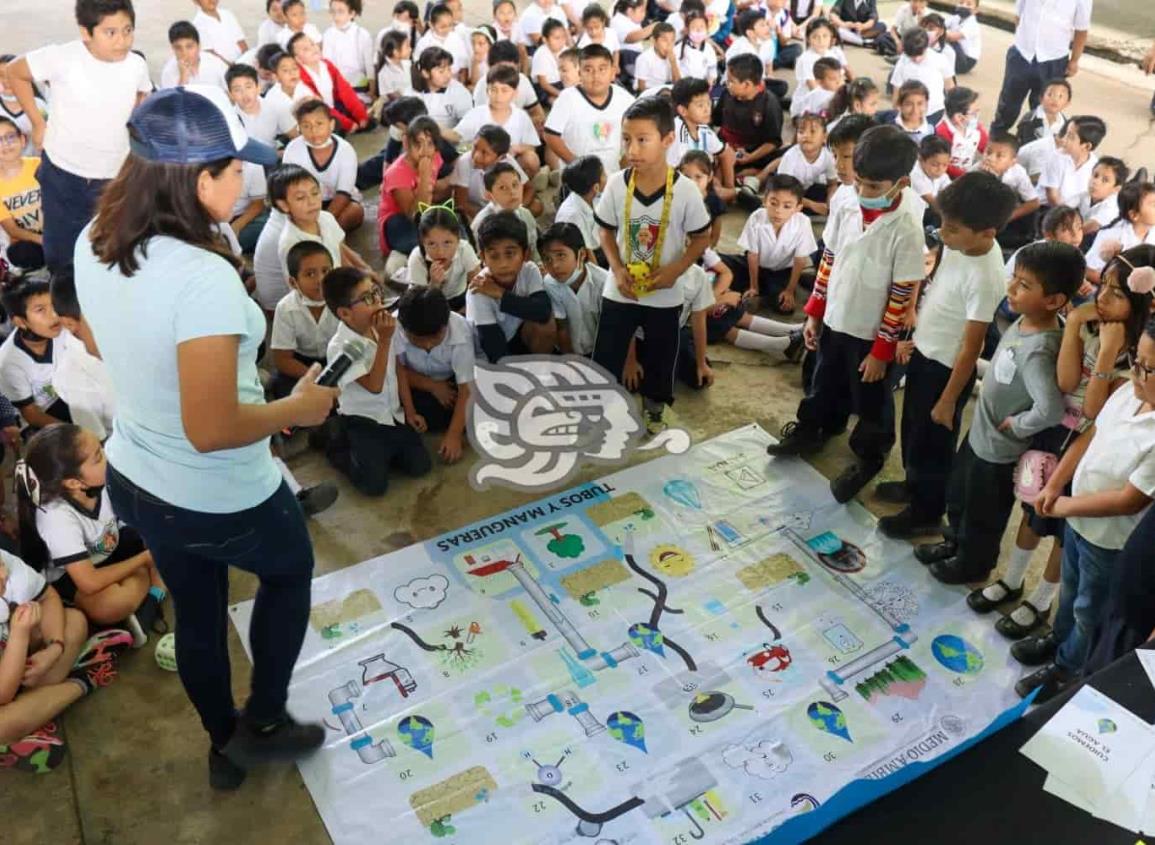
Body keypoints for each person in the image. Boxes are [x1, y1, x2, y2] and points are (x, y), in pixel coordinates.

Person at [74, 85, 338, 790]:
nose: (244, 178)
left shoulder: (93, 237)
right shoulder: (203, 277)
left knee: (198, 613)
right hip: (218, 491)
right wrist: (297, 408)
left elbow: (104, 343)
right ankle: (266, 720)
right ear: (198, 180)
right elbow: (214, 427)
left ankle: (224, 746)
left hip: (137, 474)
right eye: (233, 167)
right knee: (288, 571)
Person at [975, 246, 1151, 644]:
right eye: (1102, 286)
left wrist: (1107, 353)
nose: (1101, 300)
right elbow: (1067, 383)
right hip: (1055, 433)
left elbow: (1093, 407)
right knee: (1033, 508)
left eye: (1117, 294)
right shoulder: (1088, 326)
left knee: (1061, 529)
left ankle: (1040, 600)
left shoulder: (1138, 354)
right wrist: (1073, 324)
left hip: (1087, 449)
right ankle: (1012, 579)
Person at [768, 125, 924, 504]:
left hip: (872, 334)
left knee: (871, 398)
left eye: (873, 187)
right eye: (859, 183)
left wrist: (881, 352)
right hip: (836, 316)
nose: (864, 193)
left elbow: (902, 293)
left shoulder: (907, 224)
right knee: (825, 378)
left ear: (900, 183)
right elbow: (829, 259)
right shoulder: (845, 201)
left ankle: (869, 456)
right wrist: (814, 314)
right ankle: (815, 427)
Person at [914, 241, 1083, 585]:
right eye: (1014, 278)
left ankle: (973, 564)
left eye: (1024, 285)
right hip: (981, 435)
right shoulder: (1026, 321)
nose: (1011, 288)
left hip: (1000, 450)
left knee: (983, 513)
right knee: (960, 495)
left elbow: (1050, 409)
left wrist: (1018, 425)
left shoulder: (1041, 348)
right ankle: (955, 543)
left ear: (1054, 300)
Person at [1016, 303, 1155, 703]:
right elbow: (1090, 436)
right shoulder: (1128, 389)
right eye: (1138, 362)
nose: (1139, 375)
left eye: (1150, 368)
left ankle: (1067, 669)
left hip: (1107, 540)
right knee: (1070, 593)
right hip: (1076, 521)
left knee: (1088, 610)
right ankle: (1059, 642)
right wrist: (1056, 485)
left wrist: (1063, 508)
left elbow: (1129, 500)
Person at [877, 172, 1017, 538]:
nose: (942, 233)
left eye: (952, 228)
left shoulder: (987, 276)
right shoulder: (958, 244)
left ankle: (927, 510)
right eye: (942, 222)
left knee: (933, 444)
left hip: (947, 372)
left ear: (988, 232)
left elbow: (972, 348)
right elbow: (940, 277)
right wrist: (916, 321)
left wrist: (948, 399)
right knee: (912, 430)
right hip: (926, 353)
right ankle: (913, 485)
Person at [3, 0, 152, 271]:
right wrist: (37, 123)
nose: (122, 41)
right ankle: (65, 305)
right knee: (62, 253)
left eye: (128, 30)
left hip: (113, 177)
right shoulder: (61, 58)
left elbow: (143, 95)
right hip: (63, 174)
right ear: (86, 32)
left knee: (110, 250)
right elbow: (15, 72)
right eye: (111, 32)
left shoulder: (136, 65)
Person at [593, 97, 711, 435]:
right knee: (607, 352)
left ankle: (656, 408)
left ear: (667, 140)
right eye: (627, 139)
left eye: (643, 139)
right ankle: (602, 409)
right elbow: (605, 229)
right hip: (622, 287)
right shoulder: (618, 183)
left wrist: (676, 269)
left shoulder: (686, 191)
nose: (633, 148)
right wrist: (615, 267)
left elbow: (701, 238)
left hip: (665, 291)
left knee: (662, 354)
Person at [16, 424, 165, 637]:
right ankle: (152, 588)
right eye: (98, 457)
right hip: (75, 574)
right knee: (111, 605)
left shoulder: (101, 480)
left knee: (167, 534)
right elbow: (88, 582)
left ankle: (152, 594)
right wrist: (144, 559)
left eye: (102, 448)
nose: (107, 455)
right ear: (74, 483)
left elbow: (141, 516)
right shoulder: (56, 517)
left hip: (108, 548)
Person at [0, 548, 122, 774]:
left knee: (74, 621)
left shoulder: (4, 561)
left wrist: (54, 649)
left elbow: (48, 596)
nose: (3, 577)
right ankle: (85, 677)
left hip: (11, 660)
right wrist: (19, 633)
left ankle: (31, 718)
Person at [321, 266, 432, 495]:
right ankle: (333, 441)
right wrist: (384, 341)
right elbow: (374, 385)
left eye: (376, 292)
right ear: (344, 313)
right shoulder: (340, 347)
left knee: (421, 466)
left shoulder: (384, 326)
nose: (378, 302)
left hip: (392, 413)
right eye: (367, 298)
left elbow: (398, 368)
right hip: (363, 421)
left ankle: (380, 453)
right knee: (374, 487)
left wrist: (410, 411)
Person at [394, 286, 475, 464]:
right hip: (412, 384)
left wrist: (453, 436)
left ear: (445, 325)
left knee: (477, 412)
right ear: (404, 328)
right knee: (392, 402)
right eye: (417, 340)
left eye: (434, 338)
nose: (427, 345)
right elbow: (395, 370)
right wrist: (431, 385)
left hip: (452, 383)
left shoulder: (459, 330)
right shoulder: (394, 327)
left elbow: (466, 389)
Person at [467, 211, 555, 362]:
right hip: (487, 354)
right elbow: (494, 347)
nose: (503, 264)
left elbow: (543, 310)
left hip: (516, 337)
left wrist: (500, 293)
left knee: (546, 323)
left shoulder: (529, 270)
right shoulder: (478, 289)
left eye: (510, 254)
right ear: (482, 257)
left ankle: (541, 370)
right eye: (494, 256)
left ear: (525, 254)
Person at [991, 0, 1090, 132]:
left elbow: (1081, 30)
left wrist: (1074, 60)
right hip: (1022, 54)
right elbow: (1019, 15)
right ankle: (997, 136)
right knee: (1008, 102)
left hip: (1053, 59)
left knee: (1044, 108)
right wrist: (1023, 40)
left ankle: (1032, 142)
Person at [723, 174, 817, 312]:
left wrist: (790, 290)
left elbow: (800, 260)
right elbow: (752, 255)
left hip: (782, 271)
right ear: (765, 200)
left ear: (798, 208)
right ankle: (754, 290)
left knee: (785, 307)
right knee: (718, 264)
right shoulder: (757, 217)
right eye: (773, 203)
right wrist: (754, 286)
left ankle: (759, 297)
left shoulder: (802, 223)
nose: (778, 210)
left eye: (787, 206)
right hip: (754, 266)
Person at [544, 45, 635, 177]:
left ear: (612, 72)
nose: (595, 75)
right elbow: (550, 135)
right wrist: (576, 164)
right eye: (588, 70)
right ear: (579, 73)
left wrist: (624, 165)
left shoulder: (625, 99)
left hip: (614, 174)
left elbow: (636, 133)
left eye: (602, 69)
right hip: (577, 177)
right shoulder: (567, 98)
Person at [0, 274, 71, 431]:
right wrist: (73, 431)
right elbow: (31, 413)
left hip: (72, 392)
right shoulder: (9, 362)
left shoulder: (64, 326)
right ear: (20, 321)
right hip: (48, 412)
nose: (54, 315)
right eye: (40, 310)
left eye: (54, 304)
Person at [270, 240, 340, 399]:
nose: (321, 280)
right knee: (285, 390)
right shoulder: (286, 308)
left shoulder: (342, 299)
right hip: (303, 363)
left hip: (338, 359)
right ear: (293, 282)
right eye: (310, 274)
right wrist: (317, 378)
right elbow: (283, 359)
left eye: (326, 271)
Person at [282, 98, 364, 233]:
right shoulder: (292, 149)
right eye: (306, 126)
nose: (313, 131)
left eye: (319, 124)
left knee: (355, 212)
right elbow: (290, 188)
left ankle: (324, 236)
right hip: (306, 201)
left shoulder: (345, 150)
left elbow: (343, 193)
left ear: (331, 124)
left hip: (340, 201)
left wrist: (321, 222)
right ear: (299, 128)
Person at [539, 222, 609, 357]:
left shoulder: (603, 282)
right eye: (547, 259)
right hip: (571, 351)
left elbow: (616, 327)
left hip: (602, 350)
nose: (555, 265)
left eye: (561, 255)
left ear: (581, 254)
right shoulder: (550, 283)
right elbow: (562, 327)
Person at [379, 116, 443, 257]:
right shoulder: (396, 173)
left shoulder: (436, 157)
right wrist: (424, 177)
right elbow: (414, 215)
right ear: (407, 144)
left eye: (430, 143)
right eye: (418, 144)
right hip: (399, 220)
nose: (424, 151)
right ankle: (399, 257)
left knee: (453, 235)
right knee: (423, 247)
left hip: (425, 213)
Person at [716, 55, 785, 179]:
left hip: (753, 152)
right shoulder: (727, 93)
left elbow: (773, 142)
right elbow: (715, 120)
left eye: (731, 81)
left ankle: (751, 172)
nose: (727, 84)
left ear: (747, 84)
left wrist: (750, 157)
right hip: (725, 147)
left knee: (783, 158)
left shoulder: (769, 103)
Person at [287, 32, 370, 134]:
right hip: (316, 113)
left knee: (361, 110)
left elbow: (346, 90)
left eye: (312, 44)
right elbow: (320, 107)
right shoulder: (301, 78)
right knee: (333, 128)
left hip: (332, 106)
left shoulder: (327, 64)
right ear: (298, 59)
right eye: (305, 49)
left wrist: (361, 115)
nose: (313, 49)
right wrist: (348, 124)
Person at [406, 203, 481, 312]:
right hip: (430, 304)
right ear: (422, 242)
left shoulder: (464, 249)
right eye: (431, 244)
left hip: (460, 299)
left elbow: (479, 282)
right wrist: (434, 284)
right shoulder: (417, 258)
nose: (440, 252)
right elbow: (419, 302)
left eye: (447, 243)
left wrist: (468, 307)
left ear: (458, 239)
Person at [0, 118, 43, 272]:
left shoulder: (39, 165)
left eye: (10, 137)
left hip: (54, 230)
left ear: (23, 140)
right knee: (21, 253)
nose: (5, 144)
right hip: (27, 242)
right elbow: (12, 230)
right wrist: (42, 240)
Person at [1037, 114, 1104, 213]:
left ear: (1087, 146)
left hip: (1072, 210)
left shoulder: (1095, 166)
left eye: (1070, 136)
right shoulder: (1056, 157)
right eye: (1066, 134)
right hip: (1046, 208)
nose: (1063, 139)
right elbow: (1052, 197)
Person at [227, 64, 296, 148]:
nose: (244, 94)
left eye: (248, 87)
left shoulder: (275, 107)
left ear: (258, 88)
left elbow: (296, 137)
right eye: (237, 90)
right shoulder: (229, 118)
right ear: (230, 95)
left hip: (274, 158)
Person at [323, 0, 376, 101]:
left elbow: (369, 65)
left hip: (359, 87)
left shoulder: (363, 34)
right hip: (337, 86)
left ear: (352, 13)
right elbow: (327, 64)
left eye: (340, 11)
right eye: (333, 12)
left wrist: (372, 90)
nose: (336, 16)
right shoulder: (328, 34)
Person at [555, 156, 606, 257]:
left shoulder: (595, 196)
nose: (607, 176)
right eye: (604, 174)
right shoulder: (571, 216)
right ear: (595, 187)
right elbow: (586, 256)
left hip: (601, 249)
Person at [160, 21, 230, 91]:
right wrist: (183, 78)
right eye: (178, 48)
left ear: (199, 46)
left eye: (189, 47)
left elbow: (231, 92)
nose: (184, 53)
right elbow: (173, 101)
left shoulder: (215, 63)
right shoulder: (168, 72)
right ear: (173, 49)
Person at [935, 86, 985, 179]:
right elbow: (942, 162)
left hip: (966, 173)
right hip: (944, 177)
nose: (977, 117)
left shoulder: (975, 127)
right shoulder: (942, 132)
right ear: (959, 117)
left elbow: (986, 147)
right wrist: (965, 176)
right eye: (974, 113)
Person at [376, 30, 413, 104]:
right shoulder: (384, 73)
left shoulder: (408, 64)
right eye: (407, 46)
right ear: (395, 52)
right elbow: (392, 97)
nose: (410, 49)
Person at [944, 0, 981, 75]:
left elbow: (952, 37)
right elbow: (940, 25)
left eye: (969, 4)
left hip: (966, 60)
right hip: (956, 52)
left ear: (975, 10)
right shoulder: (955, 18)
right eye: (961, 3)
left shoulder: (973, 24)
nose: (964, 6)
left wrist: (937, 30)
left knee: (946, 39)